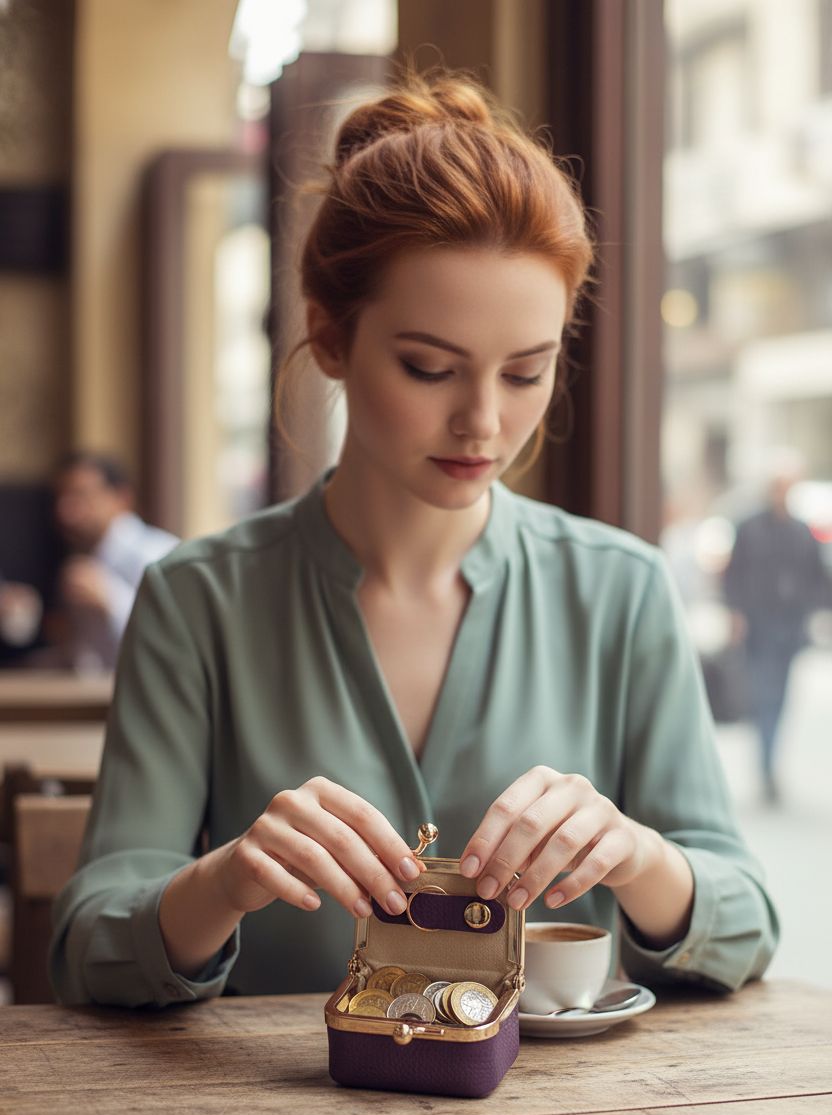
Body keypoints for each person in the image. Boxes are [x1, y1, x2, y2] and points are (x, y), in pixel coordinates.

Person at [49, 71, 778, 1010]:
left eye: (527, 372)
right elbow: (88, 943)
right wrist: (228, 878)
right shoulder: (200, 599)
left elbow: (745, 918)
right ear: (329, 338)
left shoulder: (621, 589)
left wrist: (636, 855)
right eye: (429, 367)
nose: (483, 421)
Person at [723, 450, 828, 803]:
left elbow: (818, 579)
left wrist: (813, 610)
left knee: (779, 698)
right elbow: (733, 574)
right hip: (758, 626)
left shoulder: (801, 532)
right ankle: (766, 766)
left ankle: (770, 763)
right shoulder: (750, 527)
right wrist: (735, 614)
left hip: (789, 627)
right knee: (762, 696)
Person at [52, 451, 178, 672]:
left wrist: (109, 600)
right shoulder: (85, 558)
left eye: (81, 496)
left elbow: (175, 644)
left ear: (122, 498)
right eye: (62, 498)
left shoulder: (157, 554)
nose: (66, 511)